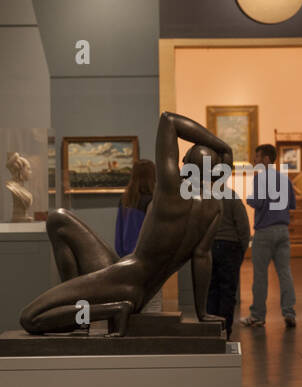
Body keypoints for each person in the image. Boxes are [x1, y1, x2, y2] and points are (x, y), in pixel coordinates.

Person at [19, 113, 231, 334]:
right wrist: (202, 313)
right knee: (58, 219)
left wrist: (223, 146)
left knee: (30, 318)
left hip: (123, 281)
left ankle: (107, 310)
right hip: (137, 285)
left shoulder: (171, 190)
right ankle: (80, 316)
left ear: (185, 164)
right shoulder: (214, 208)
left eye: (185, 159)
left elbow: (169, 120)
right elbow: (202, 258)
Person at [241, 144, 297, 328]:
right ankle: (289, 312)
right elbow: (291, 205)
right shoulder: (285, 179)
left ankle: (257, 316)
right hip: (283, 231)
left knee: (260, 275)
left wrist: (248, 199)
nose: (254, 162)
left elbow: (257, 202)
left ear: (266, 159)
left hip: (264, 232)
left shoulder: (260, 179)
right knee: (285, 272)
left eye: (257, 158)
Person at [207, 192, 250, 338]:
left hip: (210, 246)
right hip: (230, 247)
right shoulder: (232, 197)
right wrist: (242, 249)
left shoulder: (206, 197)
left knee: (211, 290)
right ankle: (225, 330)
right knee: (228, 292)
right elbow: (243, 225)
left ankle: (212, 329)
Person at [114, 159, 156, 256]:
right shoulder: (152, 201)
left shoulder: (125, 199)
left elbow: (119, 233)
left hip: (126, 256)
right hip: (146, 257)